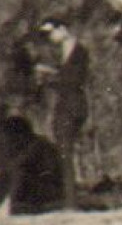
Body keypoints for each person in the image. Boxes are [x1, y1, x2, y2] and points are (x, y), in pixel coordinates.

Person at [36, 17, 91, 209]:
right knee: (66, 152)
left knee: (65, 153)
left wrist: (48, 79)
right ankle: (71, 199)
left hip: (71, 105)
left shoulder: (77, 51)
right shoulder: (70, 51)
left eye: (50, 32)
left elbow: (71, 80)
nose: (49, 38)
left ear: (63, 28)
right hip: (74, 103)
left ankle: (71, 202)